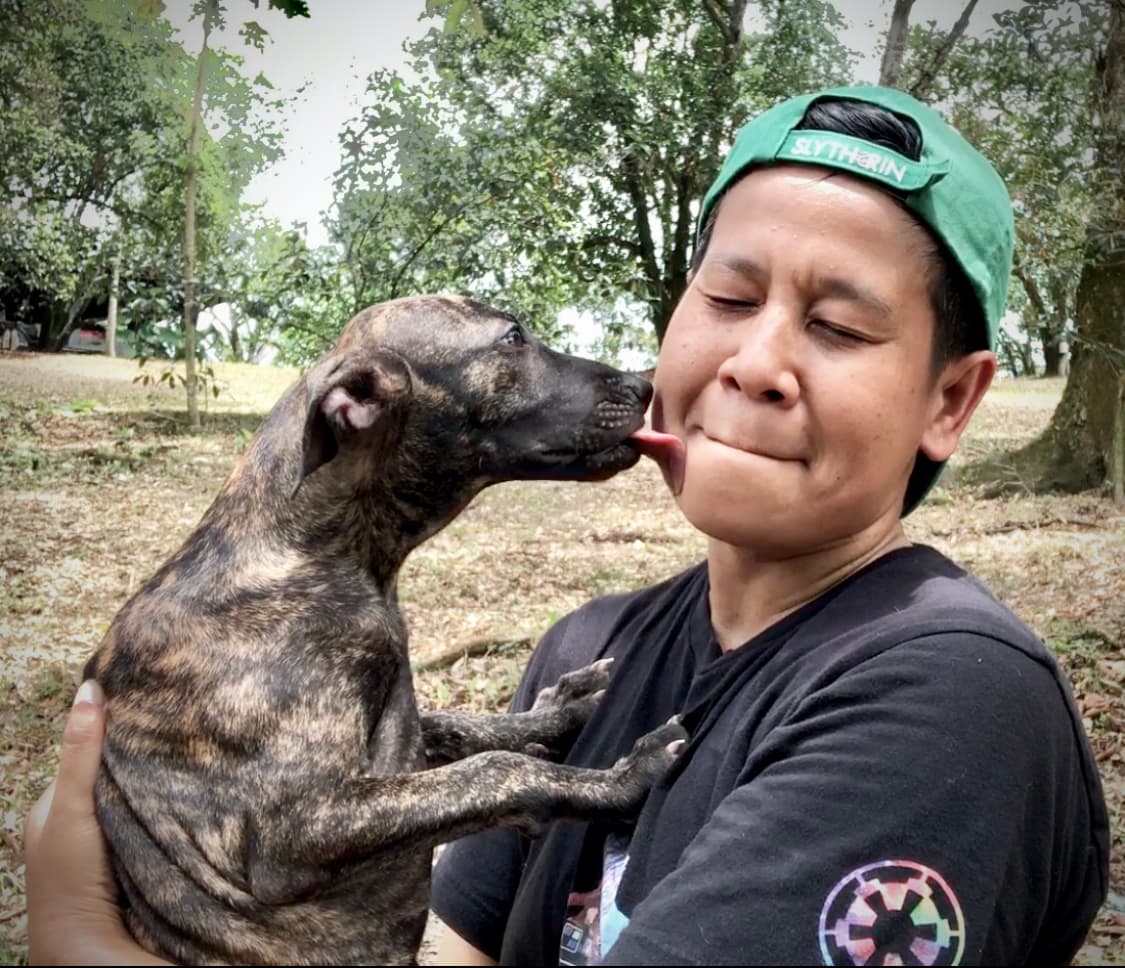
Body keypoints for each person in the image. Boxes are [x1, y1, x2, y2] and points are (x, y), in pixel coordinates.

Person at [24, 85, 1108, 966]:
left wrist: (90, 946)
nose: (755, 362)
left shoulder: (946, 703)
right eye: (728, 300)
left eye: (834, 324)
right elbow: (445, 944)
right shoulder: (591, 652)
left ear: (951, 401)